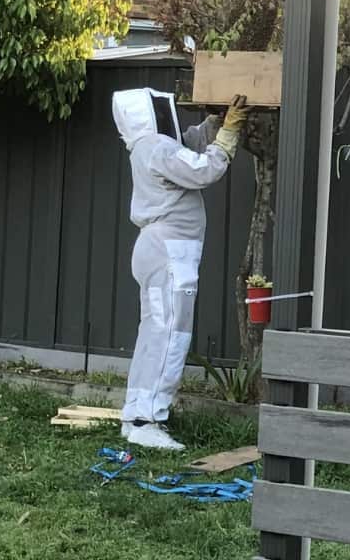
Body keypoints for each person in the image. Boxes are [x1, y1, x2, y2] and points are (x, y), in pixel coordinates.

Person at [111, 88, 249, 450]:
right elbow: (204, 168)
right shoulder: (157, 148)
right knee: (170, 336)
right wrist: (229, 133)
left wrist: (216, 121)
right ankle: (147, 421)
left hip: (161, 250)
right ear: (147, 114)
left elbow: (189, 143)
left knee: (154, 333)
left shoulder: (152, 146)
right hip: (169, 253)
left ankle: (136, 413)